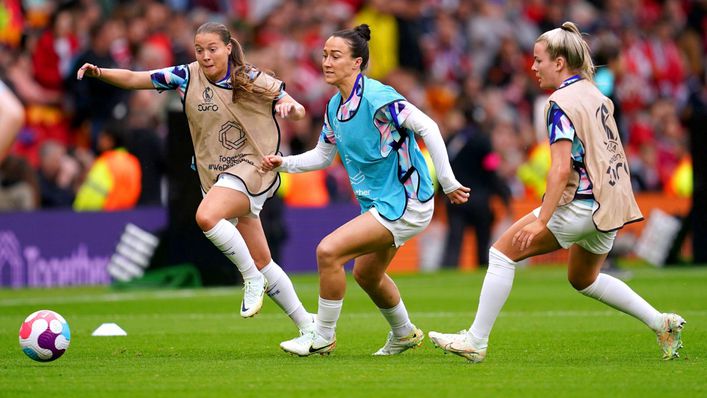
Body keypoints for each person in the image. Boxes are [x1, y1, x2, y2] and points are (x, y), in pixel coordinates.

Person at [428, 22, 686, 363]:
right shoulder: (597, 95)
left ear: (559, 63)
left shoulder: (560, 101)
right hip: (610, 207)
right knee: (584, 278)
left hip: (581, 204)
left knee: (501, 254)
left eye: (538, 60)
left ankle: (475, 341)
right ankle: (661, 322)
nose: (533, 68)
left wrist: (543, 220)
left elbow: (561, 167)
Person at [76, 22, 314, 334]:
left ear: (228, 48)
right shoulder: (186, 76)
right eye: (199, 49)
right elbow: (137, 79)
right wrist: (101, 73)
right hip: (214, 174)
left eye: (212, 49)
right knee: (263, 261)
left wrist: (289, 106)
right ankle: (309, 327)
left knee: (206, 217)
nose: (205, 56)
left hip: (252, 168)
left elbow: (295, 108)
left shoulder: (250, 78)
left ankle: (250, 280)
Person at [261, 24, 470, 356]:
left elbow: (428, 126)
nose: (326, 62)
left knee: (328, 251)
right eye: (325, 55)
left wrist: (447, 181)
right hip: (380, 203)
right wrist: (283, 163)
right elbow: (322, 156)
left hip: (406, 200)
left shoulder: (378, 97)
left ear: (357, 62)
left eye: (336, 56)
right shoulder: (334, 107)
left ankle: (323, 335)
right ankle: (403, 333)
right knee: (367, 274)